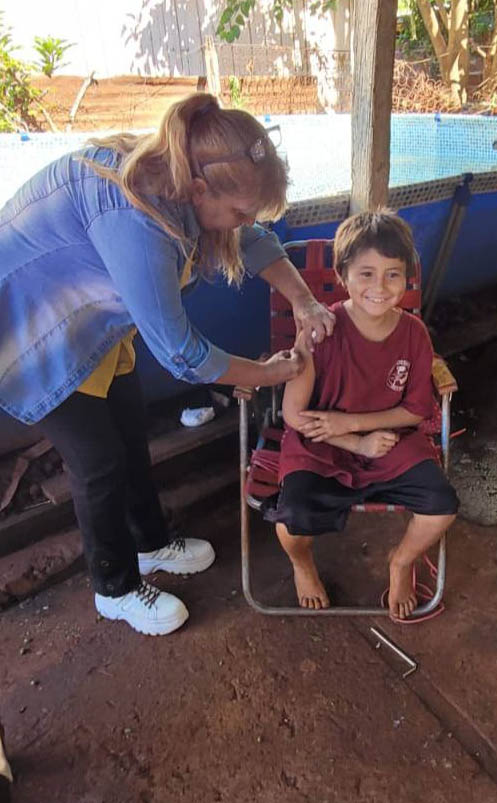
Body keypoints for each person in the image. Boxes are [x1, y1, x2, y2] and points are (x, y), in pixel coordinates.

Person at [0, 93, 334, 636]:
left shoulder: (184, 171)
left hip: (91, 322)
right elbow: (183, 353)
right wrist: (267, 374)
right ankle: (114, 587)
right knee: (98, 462)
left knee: (131, 434)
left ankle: (150, 543)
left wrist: (304, 300)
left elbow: (248, 236)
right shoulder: (138, 219)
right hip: (31, 329)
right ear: (200, 190)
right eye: (240, 211)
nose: (244, 221)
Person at [275, 210, 458, 620]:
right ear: (343, 275)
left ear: (407, 278)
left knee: (441, 506)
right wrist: (353, 441)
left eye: (393, 274)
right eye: (366, 274)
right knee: (291, 521)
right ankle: (302, 565)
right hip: (321, 443)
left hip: (390, 440)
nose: (380, 287)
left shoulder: (414, 334)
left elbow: (416, 409)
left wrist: (357, 426)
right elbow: (293, 414)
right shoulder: (320, 330)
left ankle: (401, 562)